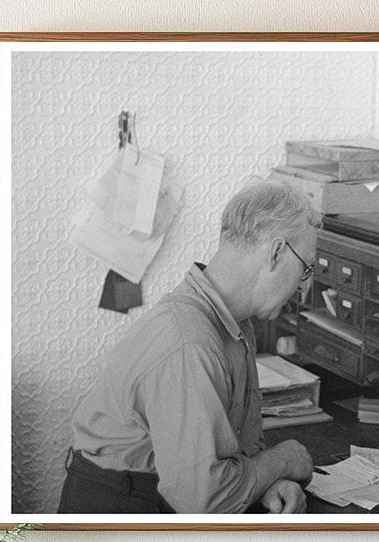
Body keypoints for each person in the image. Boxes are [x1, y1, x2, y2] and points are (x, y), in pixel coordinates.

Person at [58, 180, 318, 515]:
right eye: (306, 268)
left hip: (164, 494)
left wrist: (264, 482)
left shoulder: (233, 323)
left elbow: (227, 455)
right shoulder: (189, 344)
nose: (304, 285)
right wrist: (285, 460)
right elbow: (203, 500)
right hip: (121, 508)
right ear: (276, 253)